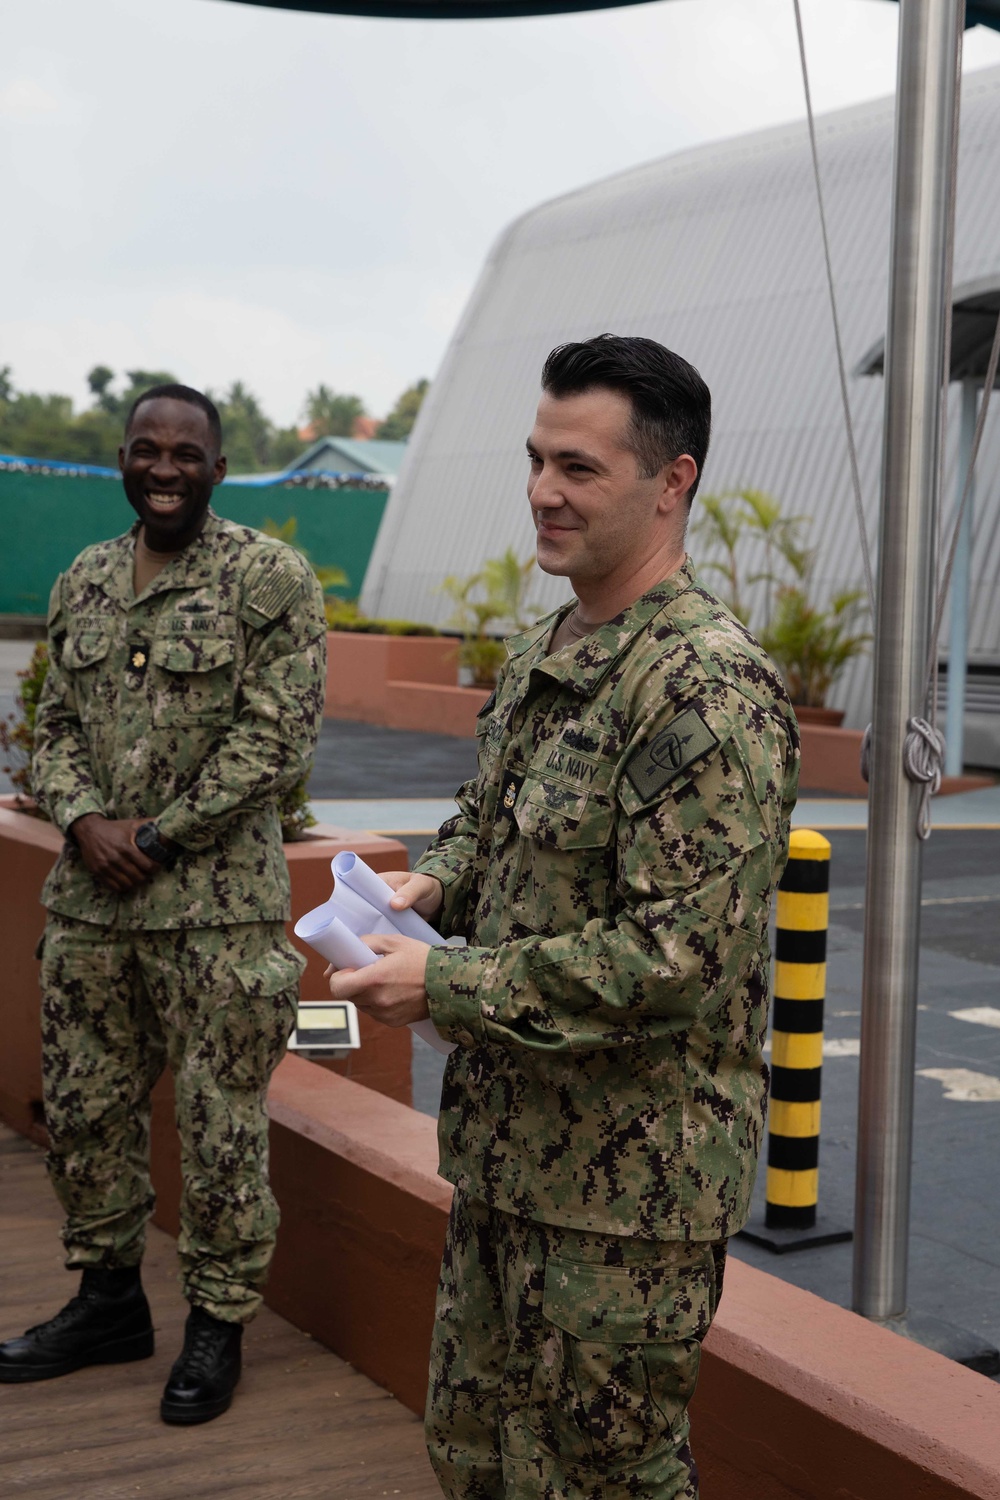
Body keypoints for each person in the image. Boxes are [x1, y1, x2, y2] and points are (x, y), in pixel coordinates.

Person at [328, 335, 799, 1498]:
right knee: (477, 1460)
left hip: (624, 1207)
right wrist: (428, 885)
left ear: (670, 481)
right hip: (508, 1163)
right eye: (538, 460)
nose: (542, 489)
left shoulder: (705, 687)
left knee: (600, 1480)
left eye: (579, 468)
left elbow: (674, 957)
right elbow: (487, 821)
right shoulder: (552, 647)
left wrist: (440, 985)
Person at [0, 385, 327, 1426]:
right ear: (123, 461)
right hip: (94, 909)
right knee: (87, 1112)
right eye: (147, 450)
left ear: (219, 469)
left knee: (218, 1126)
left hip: (216, 914)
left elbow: (276, 738)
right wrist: (88, 818)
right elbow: (49, 724)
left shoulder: (267, 580)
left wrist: (159, 834)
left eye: (187, 453)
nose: (165, 468)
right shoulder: (83, 580)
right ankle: (106, 1304)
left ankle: (216, 1324)